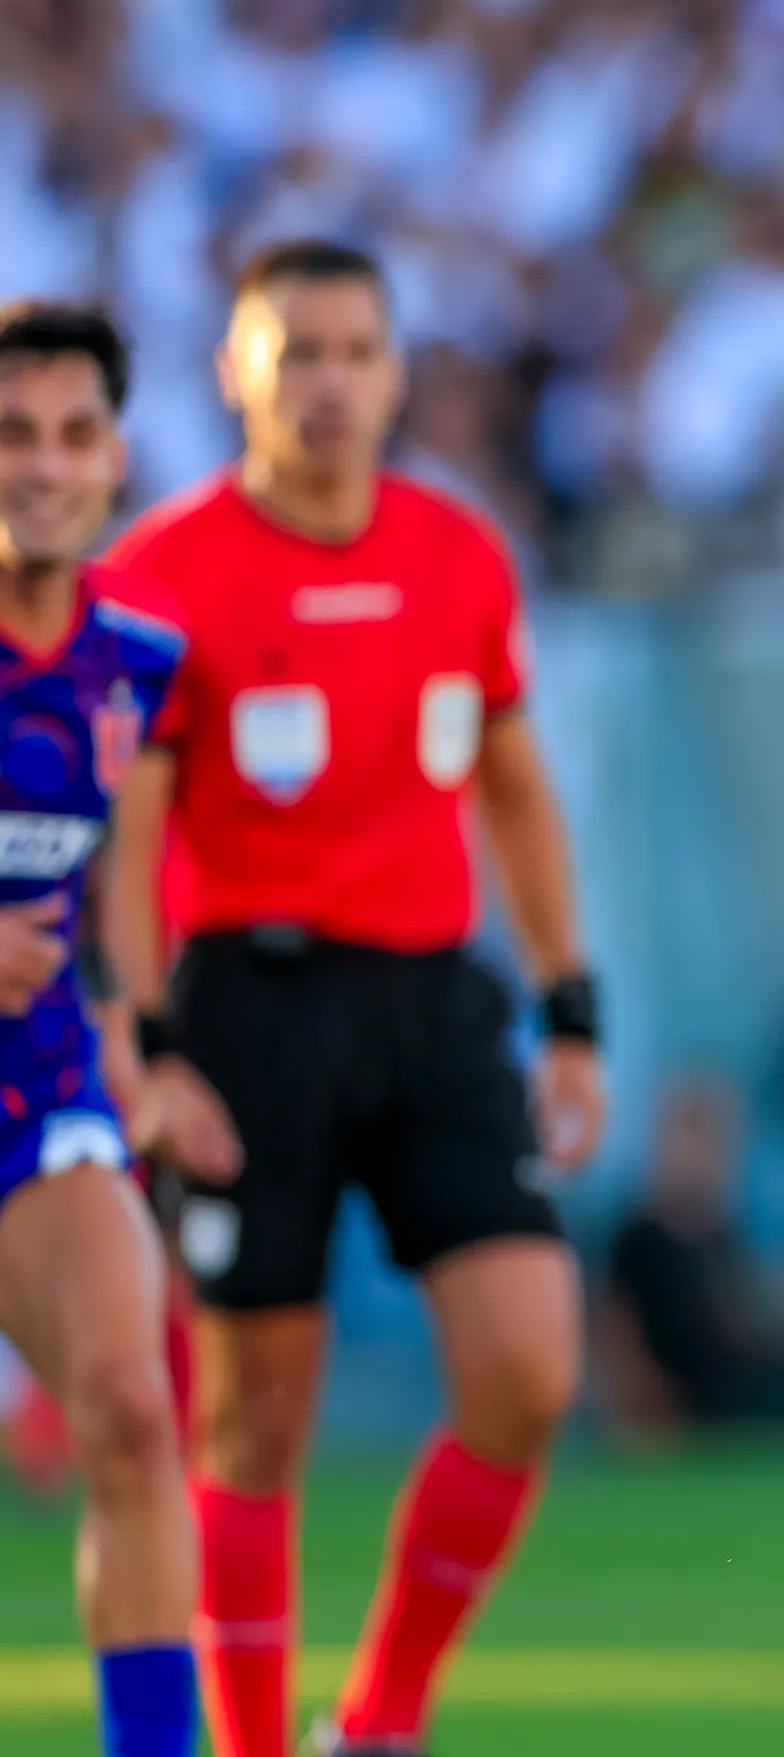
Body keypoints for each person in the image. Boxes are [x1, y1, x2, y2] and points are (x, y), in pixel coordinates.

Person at [101, 239, 608, 1757]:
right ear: (235, 372)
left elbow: (515, 792)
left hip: (436, 1005)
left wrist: (567, 1007)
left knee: (528, 1370)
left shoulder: (459, 558)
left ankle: (378, 1720)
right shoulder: (162, 577)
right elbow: (128, 835)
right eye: (295, 350)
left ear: (396, 373)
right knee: (253, 1422)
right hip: (243, 1014)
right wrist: (140, 1043)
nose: (327, 382)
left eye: (354, 351)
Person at [0, 302, 200, 1757]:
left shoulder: (135, 661)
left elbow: (117, 890)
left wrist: (143, 1040)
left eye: (73, 435)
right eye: (13, 434)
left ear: (115, 458)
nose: (43, 465)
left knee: (131, 1410)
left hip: (40, 1085)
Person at [602, 1080, 784, 1434]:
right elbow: (618, 1327)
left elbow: (735, 1316)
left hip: (724, 1401)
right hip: (665, 1403)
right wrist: (638, 1395)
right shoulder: (639, 1235)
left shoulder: (724, 1233)